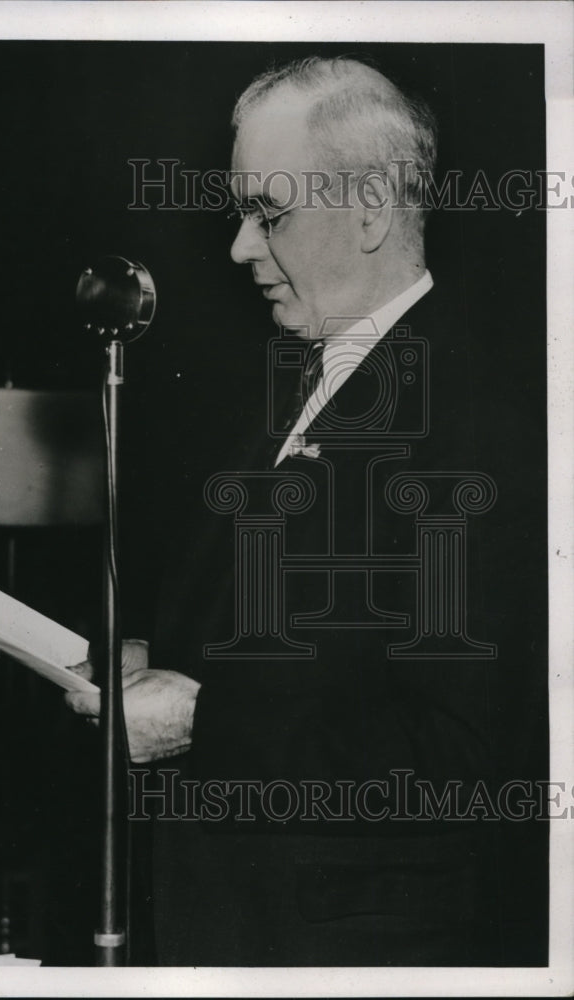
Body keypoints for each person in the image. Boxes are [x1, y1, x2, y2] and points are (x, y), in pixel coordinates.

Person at [66, 56, 547, 966]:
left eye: (270, 213)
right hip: (232, 921)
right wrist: (154, 664)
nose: (241, 248)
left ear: (370, 209)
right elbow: (302, 651)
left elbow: (465, 749)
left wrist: (204, 719)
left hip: (350, 952)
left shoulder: (485, 422)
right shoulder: (312, 381)